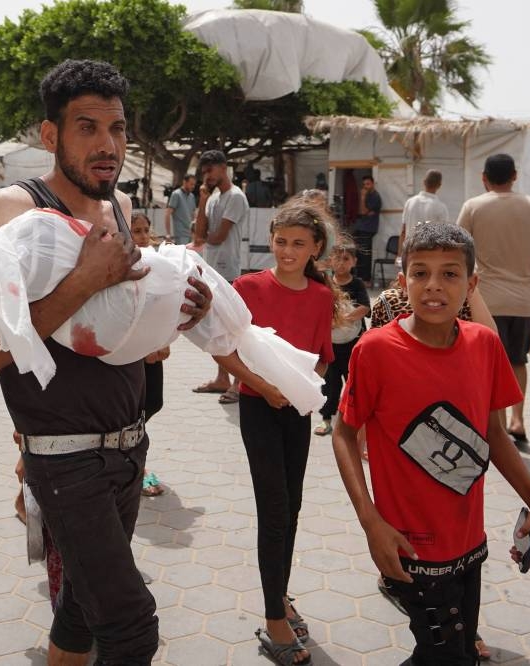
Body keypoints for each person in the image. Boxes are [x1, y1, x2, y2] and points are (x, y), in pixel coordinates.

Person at [0, 59, 211, 666]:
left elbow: (123, 336)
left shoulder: (117, 208)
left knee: (79, 612)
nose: (108, 146)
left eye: (118, 128)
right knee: (131, 629)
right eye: (87, 128)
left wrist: (176, 314)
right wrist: (83, 280)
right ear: (50, 136)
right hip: (66, 458)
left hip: (131, 446)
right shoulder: (11, 209)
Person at [333, 223, 530, 666]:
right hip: (409, 546)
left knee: (456, 654)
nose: (433, 286)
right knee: (444, 656)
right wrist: (370, 521)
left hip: (468, 540)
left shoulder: (484, 345)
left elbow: (493, 434)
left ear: (471, 284)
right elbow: (343, 432)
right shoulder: (375, 350)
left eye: (450, 274)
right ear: (402, 281)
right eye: (420, 273)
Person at [206, 199, 333, 665]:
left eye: (299, 244)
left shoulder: (321, 296)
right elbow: (221, 349)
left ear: (315, 248)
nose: (287, 251)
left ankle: (280, 594)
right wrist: (263, 385)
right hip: (260, 408)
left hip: (295, 410)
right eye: (281, 241)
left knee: (293, 505)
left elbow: (321, 356)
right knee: (274, 507)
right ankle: (274, 620)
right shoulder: (247, 288)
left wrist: (301, 387)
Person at [456, 154, 530, 443]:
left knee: (489, 363)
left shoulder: (473, 207)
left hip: (485, 300)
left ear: (484, 177)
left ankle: (498, 424)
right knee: (517, 360)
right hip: (525, 299)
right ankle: (518, 420)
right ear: (515, 175)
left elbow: (457, 250)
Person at [192, 149, 249, 403]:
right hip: (213, 269)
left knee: (233, 327)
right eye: (204, 172)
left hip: (230, 270)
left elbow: (215, 236)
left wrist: (204, 232)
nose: (207, 176)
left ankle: (239, 383)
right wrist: (203, 201)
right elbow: (199, 235)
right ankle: (222, 378)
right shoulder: (213, 198)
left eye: (210, 170)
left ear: (223, 168)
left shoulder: (236, 197)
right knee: (218, 327)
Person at [314, 239, 369, 437]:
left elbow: (364, 307)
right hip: (332, 344)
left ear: (354, 262)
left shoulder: (357, 284)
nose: (341, 262)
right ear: (330, 261)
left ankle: (356, 424)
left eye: (346, 258)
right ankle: (326, 418)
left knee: (354, 382)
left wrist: (344, 319)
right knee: (330, 383)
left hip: (353, 343)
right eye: (337, 258)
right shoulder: (326, 284)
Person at [130, 211, 168, 496]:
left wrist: (164, 339)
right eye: (136, 231)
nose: (143, 237)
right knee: (131, 411)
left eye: (145, 230)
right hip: (127, 354)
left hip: (153, 350)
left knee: (152, 402)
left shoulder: (155, 264)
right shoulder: (116, 267)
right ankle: (136, 469)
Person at [398, 170, 450, 256]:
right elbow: (443, 236)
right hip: (430, 254)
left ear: (424, 182)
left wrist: (399, 255)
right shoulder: (441, 207)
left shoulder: (410, 202)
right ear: (439, 185)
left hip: (410, 252)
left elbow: (403, 231)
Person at [353, 174, 382, 282]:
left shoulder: (375, 196)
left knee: (365, 254)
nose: (365, 186)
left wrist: (363, 197)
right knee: (358, 253)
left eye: (368, 184)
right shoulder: (368, 195)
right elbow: (362, 212)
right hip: (361, 227)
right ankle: (360, 277)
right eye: (364, 184)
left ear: (373, 184)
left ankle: (366, 279)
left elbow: (363, 211)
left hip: (368, 229)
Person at [164, 174, 196, 244]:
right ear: (184, 182)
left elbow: (193, 215)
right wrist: (168, 233)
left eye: (194, 185)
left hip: (191, 235)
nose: (193, 186)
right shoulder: (176, 194)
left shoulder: (192, 196)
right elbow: (168, 214)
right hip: (180, 234)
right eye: (191, 184)